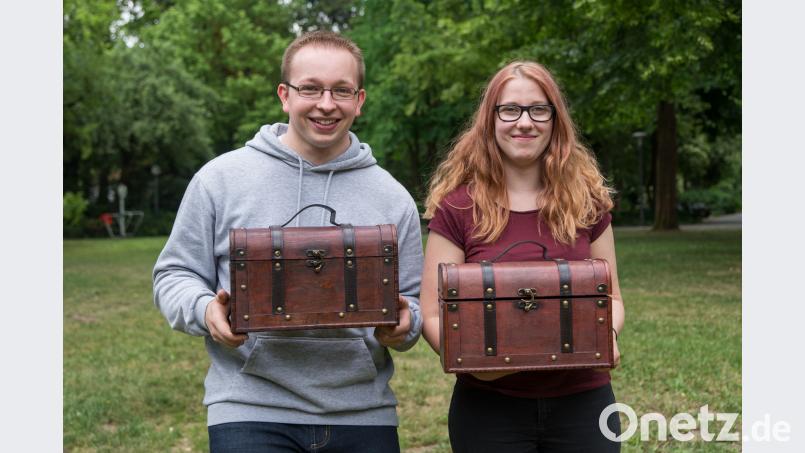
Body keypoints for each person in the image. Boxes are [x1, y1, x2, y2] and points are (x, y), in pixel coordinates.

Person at [153, 31, 424, 453]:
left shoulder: (392, 197)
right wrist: (205, 309)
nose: (326, 104)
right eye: (310, 88)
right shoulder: (220, 179)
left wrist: (406, 326)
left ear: (360, 100)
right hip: (248, 408)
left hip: (362, 412)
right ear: (285, 95)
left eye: (341, 90)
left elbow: (413, 300)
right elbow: (174, 274)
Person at [420, 60, 625, 452]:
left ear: (555, 120)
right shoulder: (458, 208)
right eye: (510, 110)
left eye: (538, 110)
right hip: (488, 406)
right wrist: (478, 363)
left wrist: (607, 336)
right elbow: (432, 313)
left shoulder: (587, 203)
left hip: (583, 400)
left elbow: (612, 298)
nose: (525, 122)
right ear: (491, 119)